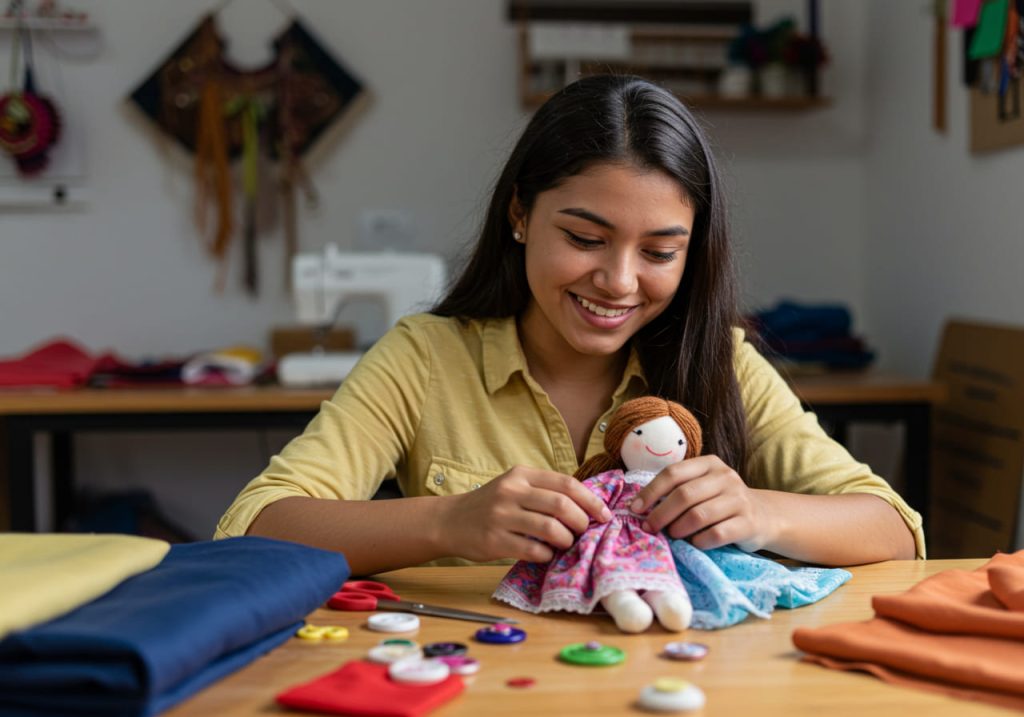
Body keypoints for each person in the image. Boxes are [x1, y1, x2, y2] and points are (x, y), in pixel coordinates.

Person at [215, 74, 924, 576]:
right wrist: (447, 521)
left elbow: (895, 529)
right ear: (520, 215)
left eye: (659, 252)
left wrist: (758, 512)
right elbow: (254, 526)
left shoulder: (721, 360)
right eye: (585, 238)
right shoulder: (425, 358)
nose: (618, 281)